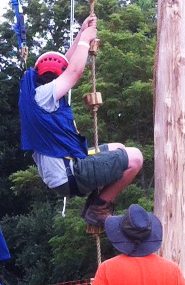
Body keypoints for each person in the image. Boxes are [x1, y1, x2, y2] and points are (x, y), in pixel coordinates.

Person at [18, 15, 143, 227]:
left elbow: (66, 66)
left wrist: (80, 35)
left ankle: (98, 199)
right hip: (69, 173)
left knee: (118, 148)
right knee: (135, 158)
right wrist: (86, 38)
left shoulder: (34, 93)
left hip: (66, 169)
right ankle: (99, 206)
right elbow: (73, 71)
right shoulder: (44, 95)